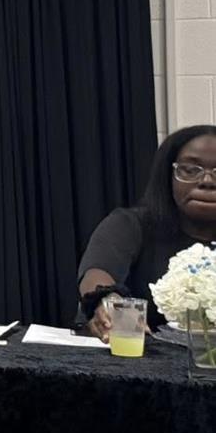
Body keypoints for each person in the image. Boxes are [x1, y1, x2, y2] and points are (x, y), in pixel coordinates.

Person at [75, 124, 216, 337]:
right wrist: (107, 301)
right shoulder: (130, 224)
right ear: (167, 176)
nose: (207, 181)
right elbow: (97, 272)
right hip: (134, 361)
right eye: (189, 170)